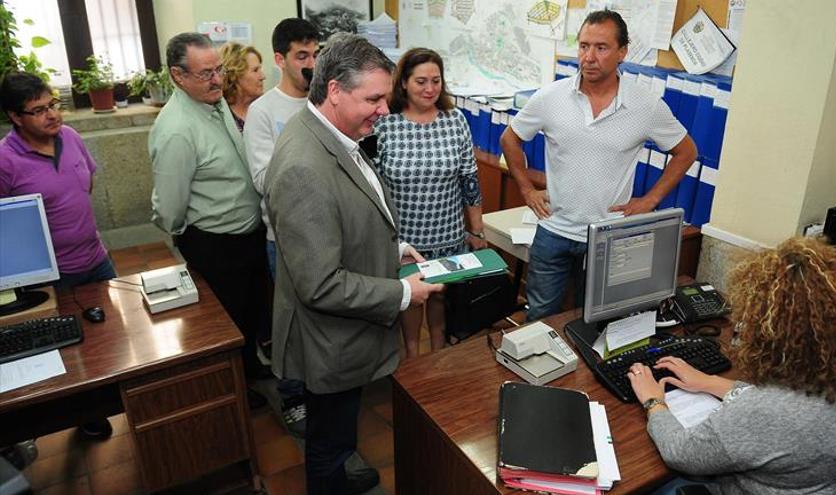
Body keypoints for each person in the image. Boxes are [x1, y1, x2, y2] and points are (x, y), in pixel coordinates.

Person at [264, 33, 442, 494]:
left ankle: (344, 465)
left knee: (341, 425)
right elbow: (320, 284)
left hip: (343, 335)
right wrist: (405, 292)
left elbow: (343, 218)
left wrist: (393, 249)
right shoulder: (304, 165)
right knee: (327, 435)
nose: (384, 109)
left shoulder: (330, 131)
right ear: (336, 91)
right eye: (375, 98)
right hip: (329, 339)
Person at [627, 236, 836, 494]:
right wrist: (711, 382)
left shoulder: (765, 413)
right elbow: (795, 406)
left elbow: (680, 451)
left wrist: (654, 403)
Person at [500, 9, 697, 321]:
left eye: (601, 48)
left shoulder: (645, 105)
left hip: (608, 236)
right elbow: (510, 139)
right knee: (539, 318)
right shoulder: (552, 96)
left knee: (595, 322)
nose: (589, 57)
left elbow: (687, 152)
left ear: (622, 52)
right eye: (583, 46)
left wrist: (650, 200)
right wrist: (527, 189)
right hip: (554, 230)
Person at [149, 32, 270, 409]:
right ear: (177, 76)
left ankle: (250, 368)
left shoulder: (214, 105)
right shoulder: (176, 129)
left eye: (218, 69)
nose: (217, 79)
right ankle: (235, 391)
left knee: (251, 311)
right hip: (215, 243)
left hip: (247, 234)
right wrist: (187, 236)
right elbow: (170, 206)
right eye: (205, 74)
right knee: (226, 323)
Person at [0, 72, 116, 438]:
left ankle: (115, 396)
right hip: (53, 277)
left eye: (53, 104)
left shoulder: (71, 137)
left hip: (97, 259)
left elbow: (87, 184)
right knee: (69, 352)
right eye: (38, 110)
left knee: (110, 337)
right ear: (15, 117)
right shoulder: (5, 160)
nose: (52, 115)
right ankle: (85, 415)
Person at [373, 48, 486, 359]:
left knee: (440, 301)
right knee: (411, 299)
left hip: (448, 234)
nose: (429, 89)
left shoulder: (455, 120)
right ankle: (411, 361)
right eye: (421, 81)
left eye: (436, 81)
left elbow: (470, 180)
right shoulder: (385, 124)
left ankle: (439, 360)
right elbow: (373, 184)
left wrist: (477, 231)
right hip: (405, 239)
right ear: (404, 83)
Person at [243, 16, 320, 437]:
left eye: (316, 53)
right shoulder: (263, 112)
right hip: (285, 237)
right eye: (302, 55)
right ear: (280, 59)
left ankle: (324, 387)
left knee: (325, 317)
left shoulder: (324, 101)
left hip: (328, 233)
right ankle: (293, 397)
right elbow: (263, 178)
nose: (311, 63)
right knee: (290, 322)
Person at [218, 42, 265, 132]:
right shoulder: (218, 116)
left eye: (260, 69)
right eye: (255, 70)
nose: (263, 76)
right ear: (234, 75)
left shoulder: (266, 110)